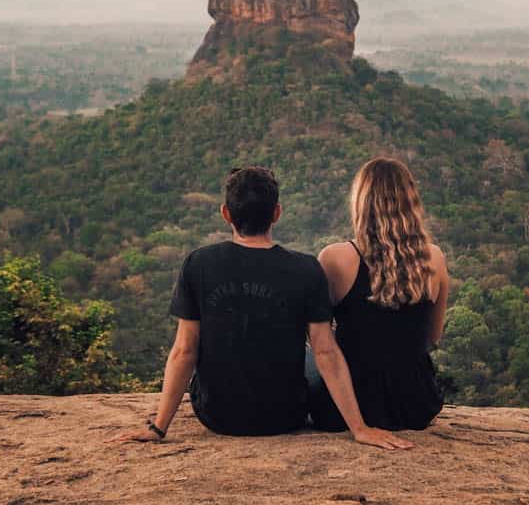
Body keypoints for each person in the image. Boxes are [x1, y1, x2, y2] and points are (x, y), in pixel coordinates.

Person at [108, 165, 413, 450]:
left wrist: (158, 427)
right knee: (312, 354)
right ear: (277, 213)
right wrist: (359, 429)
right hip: (284, 416)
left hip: (217, 416)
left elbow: (184, 350)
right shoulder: (306, 269)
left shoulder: (198, 264)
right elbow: (325, 352)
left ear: (226, 214)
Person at [308, 157, 447, 433]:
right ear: (410, 202)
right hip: (415, 405)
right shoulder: (434, 258)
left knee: (308, 354)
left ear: (361, 202)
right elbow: (432, 336)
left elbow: (319, 342)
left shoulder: (335, 258)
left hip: (348, 408)